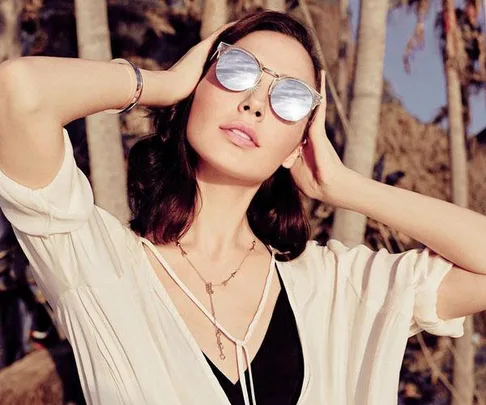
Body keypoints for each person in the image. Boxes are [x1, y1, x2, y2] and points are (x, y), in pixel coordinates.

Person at [0, 10, 484, 405]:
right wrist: (163, 84)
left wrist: (343, 186)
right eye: (236, 71)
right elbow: (17, 92)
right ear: (197, 88)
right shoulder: (99, 267)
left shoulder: (336, 286)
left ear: (300, 143)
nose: (255, 102)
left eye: (290, 97)